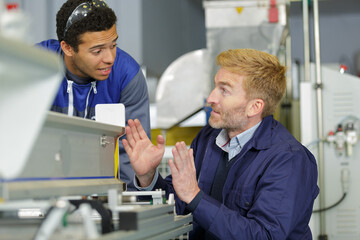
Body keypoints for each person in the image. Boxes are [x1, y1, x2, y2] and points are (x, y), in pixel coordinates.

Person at [123, 49, 319, 239]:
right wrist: (148, 178)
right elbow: (181, 202)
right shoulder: (208, 138)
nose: (210, 98)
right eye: (215, 86)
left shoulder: (289, 160)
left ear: (255, 107)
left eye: (224, 90)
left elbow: (264, 235)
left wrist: (195, 196)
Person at [36, 0, 150, 190]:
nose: (109, 58)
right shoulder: (36, 67)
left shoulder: (127, 75)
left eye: (113, 45)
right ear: (68, 48)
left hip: (104, 197)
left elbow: (132, 159)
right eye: (97, 51)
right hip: (37, 193)